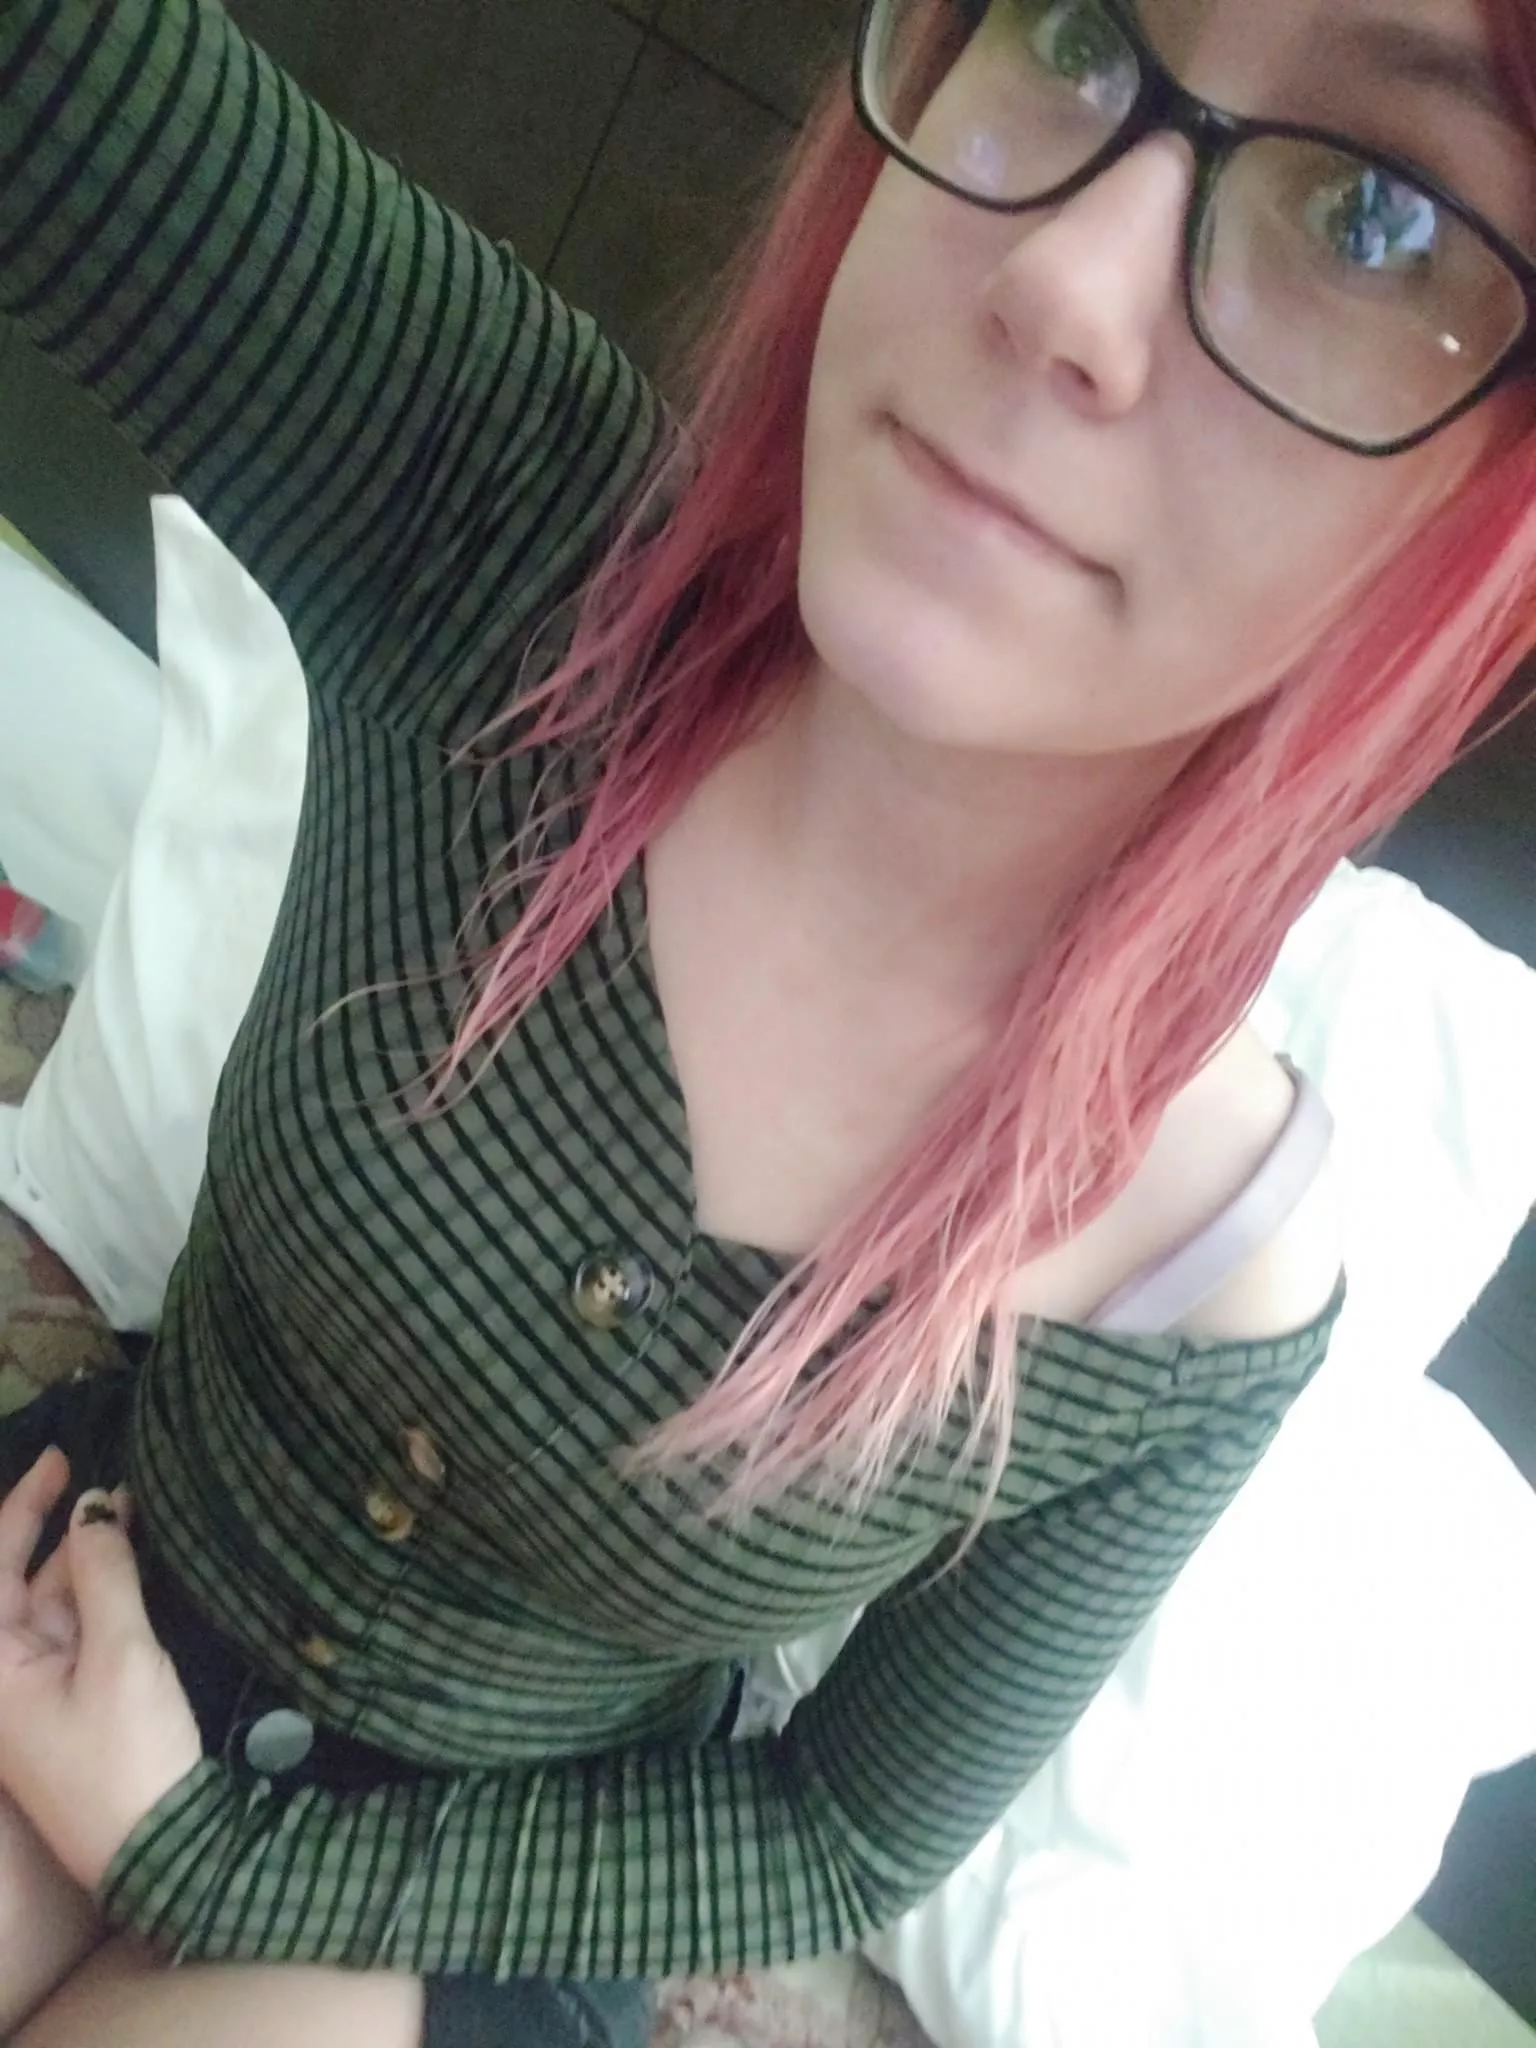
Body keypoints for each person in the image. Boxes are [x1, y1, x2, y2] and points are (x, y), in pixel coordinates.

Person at [0, 0, 1531, 2040]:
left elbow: (842, 1823)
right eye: (1073, 28)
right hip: (93, 1576)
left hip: (472, 1888)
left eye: (1373, 215)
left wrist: (211, 1860)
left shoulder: (1201, 1278)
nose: (1062, 279)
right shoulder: (501, 521)